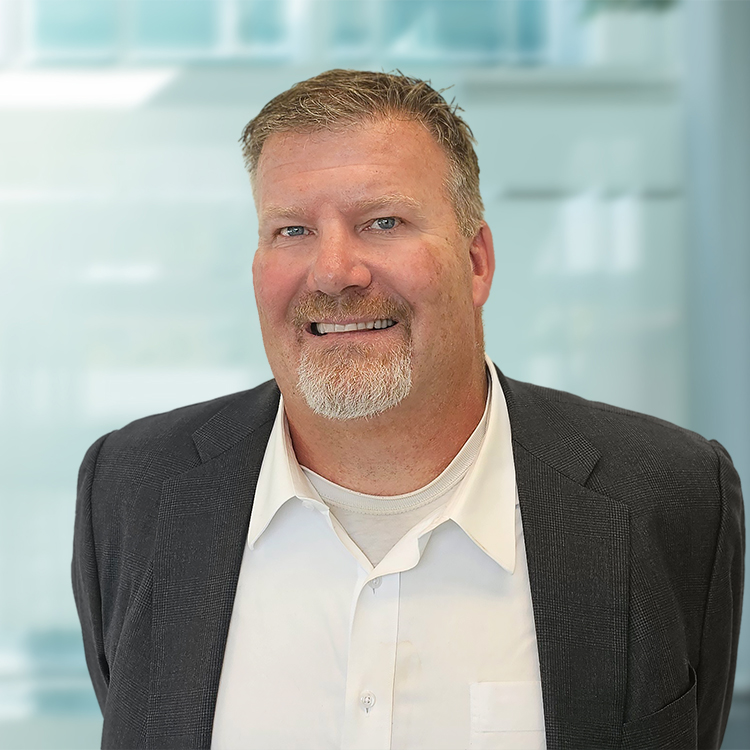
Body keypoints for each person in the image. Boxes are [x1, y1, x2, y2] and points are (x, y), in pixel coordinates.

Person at [72, 69, 744, 750]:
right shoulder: (133, 489)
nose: (334, 271)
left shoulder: (670, 494)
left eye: (383, 222)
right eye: (293, 229)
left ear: (476, 261)